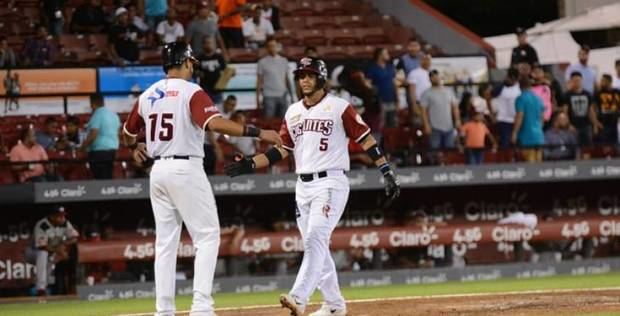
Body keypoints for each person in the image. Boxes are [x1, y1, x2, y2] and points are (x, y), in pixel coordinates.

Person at [224, 56, 400, 316]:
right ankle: (334, 305)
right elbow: (282, 149)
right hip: (302, 186)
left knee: (316, 237)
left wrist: (386, 170)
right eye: (300, 76)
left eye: (309, 75)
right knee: (315, 245)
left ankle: (299, 297)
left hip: (331, 181)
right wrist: (251, 164)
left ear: (321, 78)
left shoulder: (340, 107)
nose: (304, 80)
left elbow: (366, 140)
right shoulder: (293, 111)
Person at [122, 42, 282, 316]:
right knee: (207, 237)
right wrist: (259, 132)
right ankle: (201, 308)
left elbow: (127, 132)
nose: (193, 67)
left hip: (158, 171)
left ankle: (164, 311)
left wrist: (134, 147)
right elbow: (215, 124)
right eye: (191, 62)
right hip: (185, 167)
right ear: (185, 62)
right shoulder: (192, 91)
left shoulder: (147, 95)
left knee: (165, 243)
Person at [26, 206, 78, 296]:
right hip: (33, 252)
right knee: (43, 254)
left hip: (51, 251)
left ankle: (42, 289)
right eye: (59, 216)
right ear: (52, 217)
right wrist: (58, 250)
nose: (62, 218)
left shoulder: (65, 223)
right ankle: (40, 288)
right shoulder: (42, 225)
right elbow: (42, 247)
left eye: (63, 216)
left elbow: (75, 237)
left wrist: (64, 244)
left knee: (50, 259)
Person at [79, 94, 121, 179]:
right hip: (112, 151)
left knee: (100, 179)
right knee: (108, 177)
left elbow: (93, 134)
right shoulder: (114, 115)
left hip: (99, 153)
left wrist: (82, 147)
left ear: (92, 103)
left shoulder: (97, 115)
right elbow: (118, 133)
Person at [420, 69, 461, 150]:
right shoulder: (426, 93)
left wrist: (457, 120)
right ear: (430, 79)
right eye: (433, 77)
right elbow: (423, 111)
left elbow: (455, 107)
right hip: (434, 127)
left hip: (449, 126)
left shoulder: (449, 91)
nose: (436, 79)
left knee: (450, 150)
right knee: (435, 150)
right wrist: (426, 124)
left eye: (437, 77)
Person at [561, 72, 601, 146]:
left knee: (588, 146)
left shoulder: (587, 94)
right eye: (574, 80)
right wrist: (568, 124)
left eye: (578, 80)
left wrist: (595, 124)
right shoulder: (567, 95)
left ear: (582, 80)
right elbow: (565, 111)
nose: (577, 82)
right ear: (571, 81)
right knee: (575, 146)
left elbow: (591, 111)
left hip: (586, 125)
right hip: (573, 124)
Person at [256, 37, 292, 118]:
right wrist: (257, 98)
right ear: (266, 48)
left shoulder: (284, 60)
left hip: (283, 95)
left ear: (277, 46)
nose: (272, 48)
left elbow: (286, 79)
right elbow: (259, 81)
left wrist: (291, 95)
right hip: (268, 96)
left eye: (273, 45)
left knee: (284, 123)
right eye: (270, 46)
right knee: (269, 123)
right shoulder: (262, 62)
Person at [511, 78, 544, 162]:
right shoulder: (538, 99)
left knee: (530, 163)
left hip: (526, 135)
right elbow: (542, 117)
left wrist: (515, 132)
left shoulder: (521, 99)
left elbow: (520, 116)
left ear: (520, 87)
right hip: (539, 135)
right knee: (539, 162)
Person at [366, 47, 400, 128]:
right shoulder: (372, 69)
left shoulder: (390, 67)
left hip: (392, 100)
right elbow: (368, 84)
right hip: (380, 101)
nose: (388, 55)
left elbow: (394, 83)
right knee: (380, 125)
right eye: (386, 53)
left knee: (392, 124)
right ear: (380, 55)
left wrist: (398, 99)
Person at [195, 36, 227, 104]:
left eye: (210, 43)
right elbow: (194, 71)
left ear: (213, 44)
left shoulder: (219, 57)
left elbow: (225, 70)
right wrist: (198, 73)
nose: (208, 45)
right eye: (206, 43)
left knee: (218, 110)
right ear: (203, 45)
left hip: (217, 90)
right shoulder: (199, 58)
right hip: (205, 90)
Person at [494, 68, 521, 147]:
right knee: (505, 145)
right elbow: (488, 95)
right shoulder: (501, 87)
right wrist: (492, 112)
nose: (506, 79)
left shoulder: (519, 86)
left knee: (517, 144)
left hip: (517, 120)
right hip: (504, 120)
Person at [594, 74, 620, 144]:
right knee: (604, 146)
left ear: (609, 82)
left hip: (615, 123)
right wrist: (596, 123)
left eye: (603, 81)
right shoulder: (598, 93)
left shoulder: (617, 92)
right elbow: (593, 109)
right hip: (603, 124)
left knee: (615, 145)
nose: (601, 82)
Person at [406, 53, 432, 117]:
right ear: (421, 60)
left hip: (431, 103)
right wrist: (414, 105)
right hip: (420, 103)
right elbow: (412, 91)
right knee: (419, 124)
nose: (428, 62)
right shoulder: (414, 73)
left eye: (429, 60)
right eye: (426, 59)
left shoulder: (432, 73)